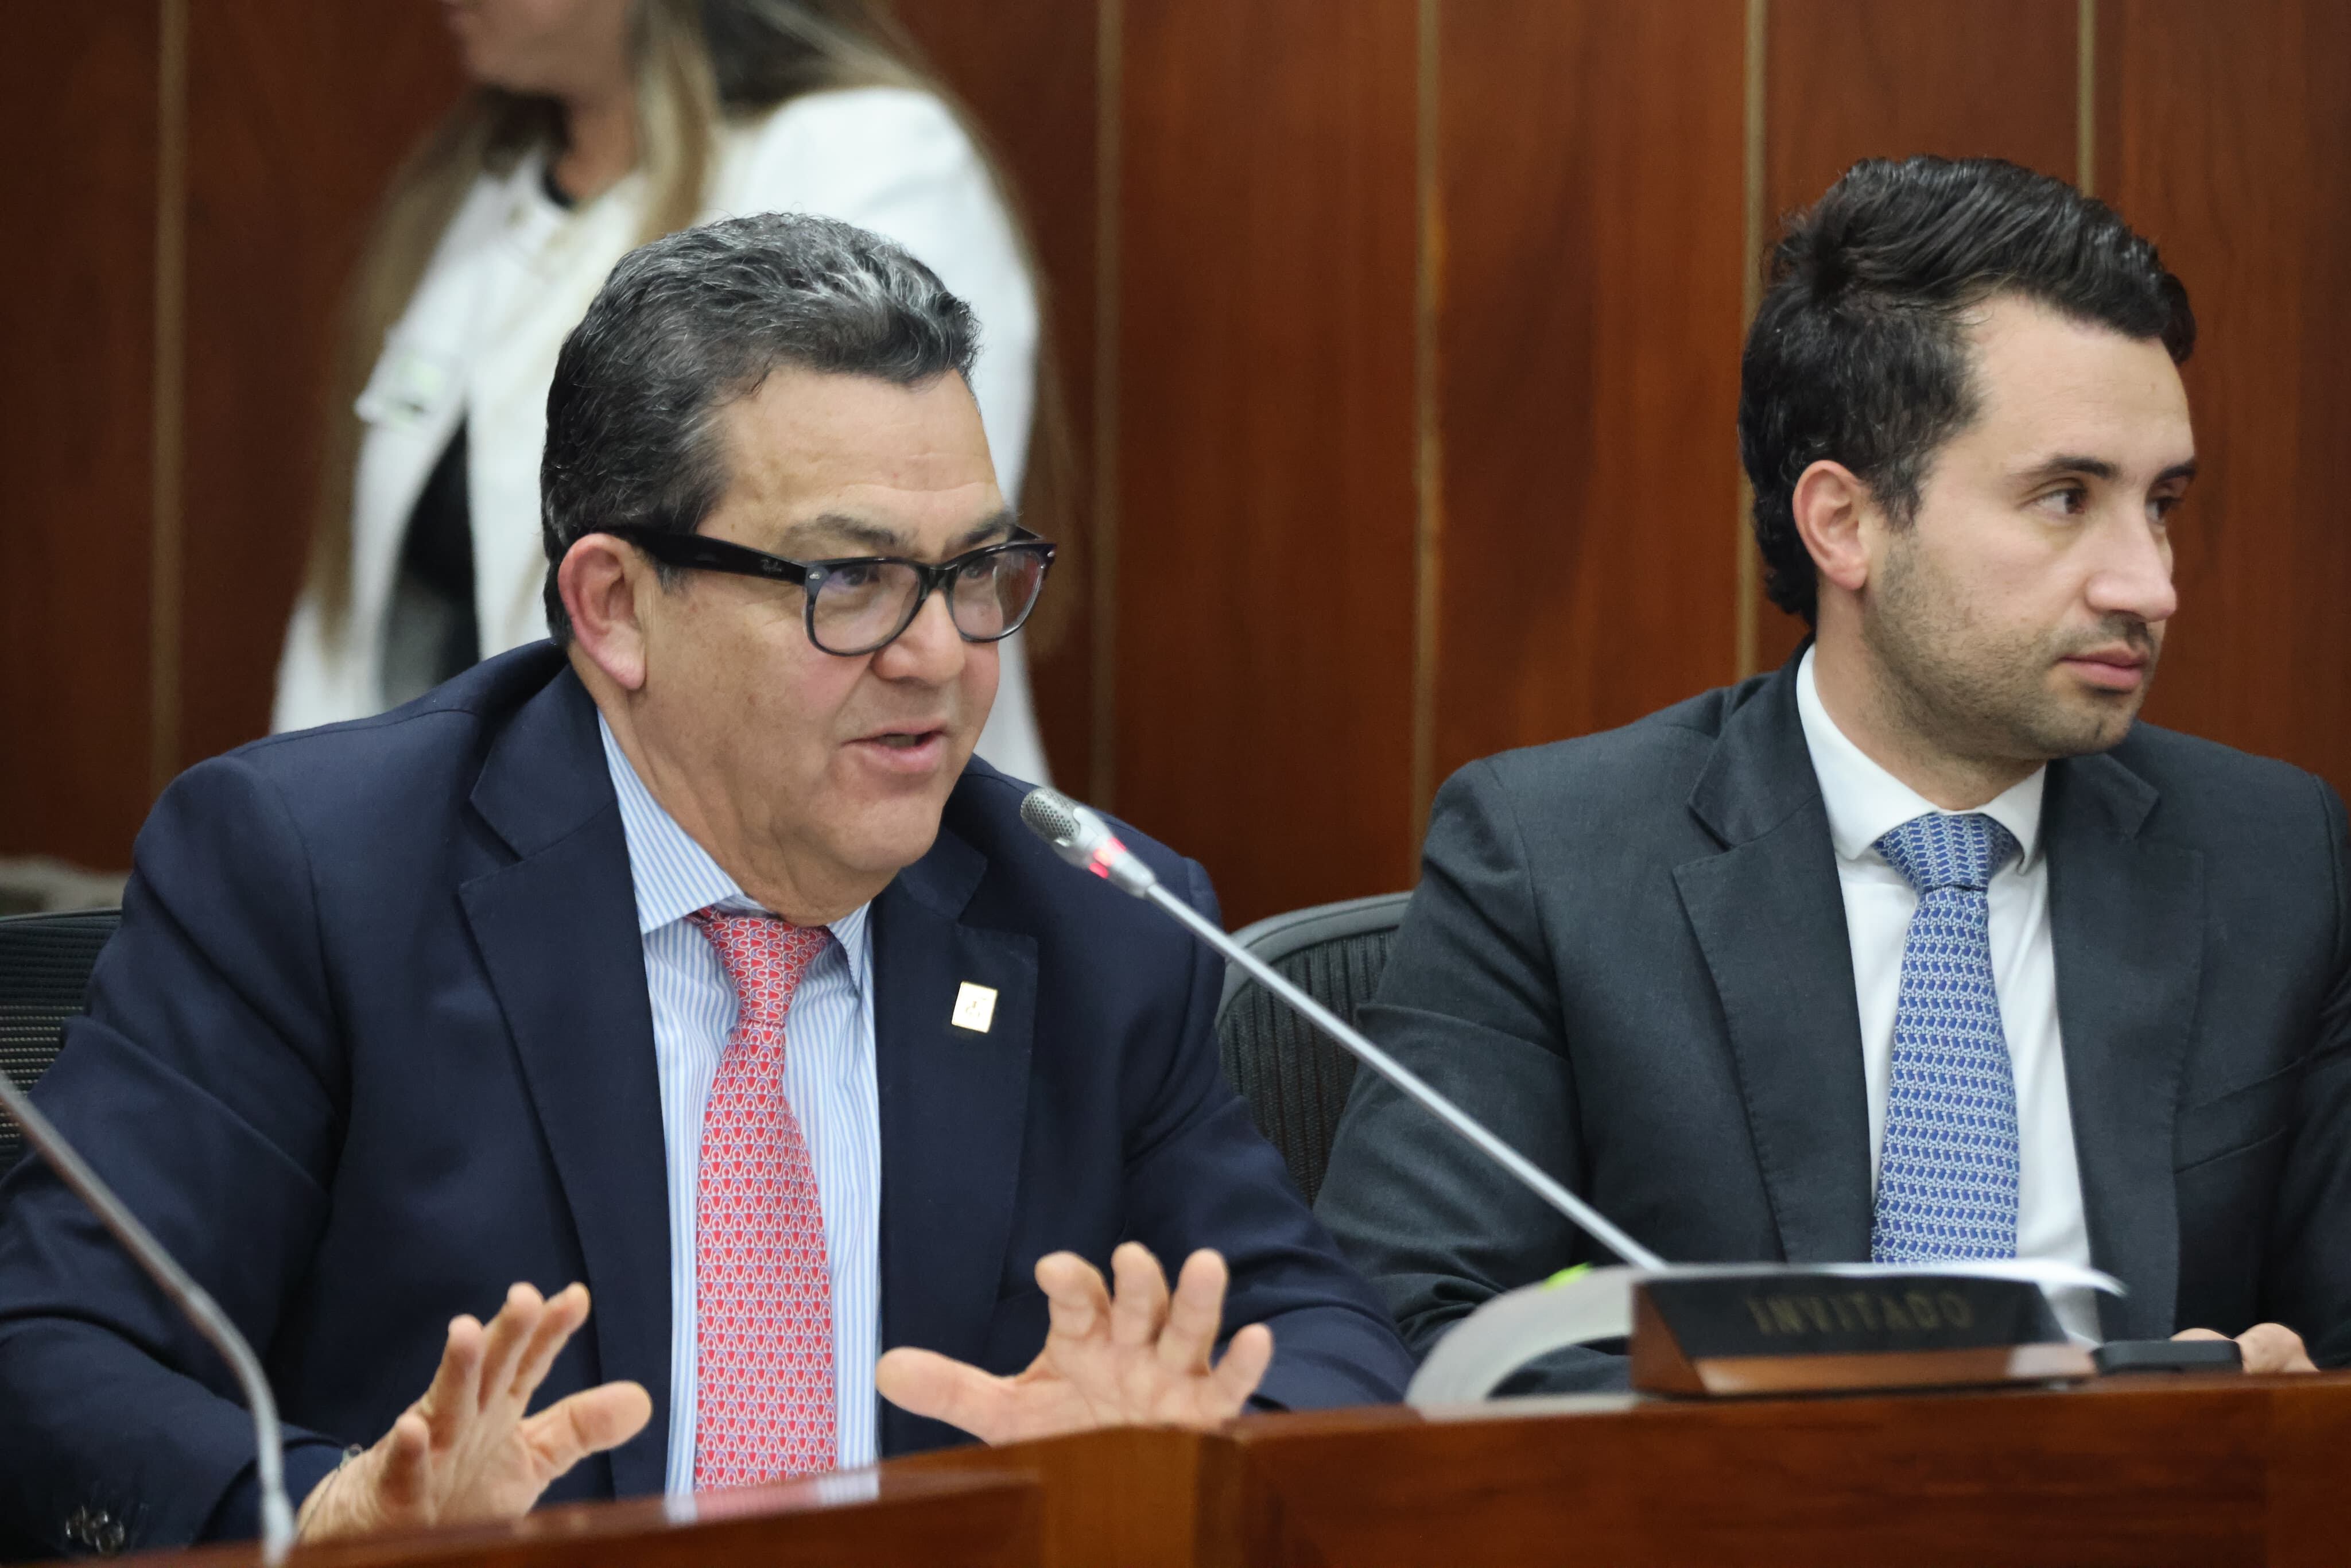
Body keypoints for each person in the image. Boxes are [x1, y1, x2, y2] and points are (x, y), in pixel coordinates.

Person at [0, 214, 1411, 1557]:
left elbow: (1326, 1346)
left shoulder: (1093, 916)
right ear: (613, 606)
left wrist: (1191, 1455)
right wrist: (329, 1524)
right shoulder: (318, 875)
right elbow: (51, 1345)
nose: (938, 653)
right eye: (852, 579)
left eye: (976, 571)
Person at [1317, 157, 2350, 1388]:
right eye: (2065, 498)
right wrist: (1957, 1421)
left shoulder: (2274, 855)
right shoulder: (1552, 856)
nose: (2148, 583)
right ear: (1843, 523)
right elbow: (1411, 1333)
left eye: (2161, 501)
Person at [274, 0, 1062, 785]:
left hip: (778, 853)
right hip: (457, 855)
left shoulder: (861, 157)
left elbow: (902, 542)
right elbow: (363, 613)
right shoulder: (484, 186)